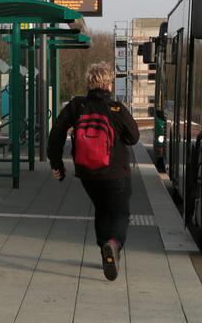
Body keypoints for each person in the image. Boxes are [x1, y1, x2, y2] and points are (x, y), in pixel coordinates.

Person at [47, 62, 139, 282]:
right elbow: (134, 137)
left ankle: (105, 253)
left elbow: (57, 132)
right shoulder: (116, 108)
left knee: (101, 209)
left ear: (89, 82)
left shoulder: (77, 106)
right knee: (120, 213)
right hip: (116, 173)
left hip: (87, 173)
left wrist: (56, 164)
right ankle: (113, 244)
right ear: (108, 83)